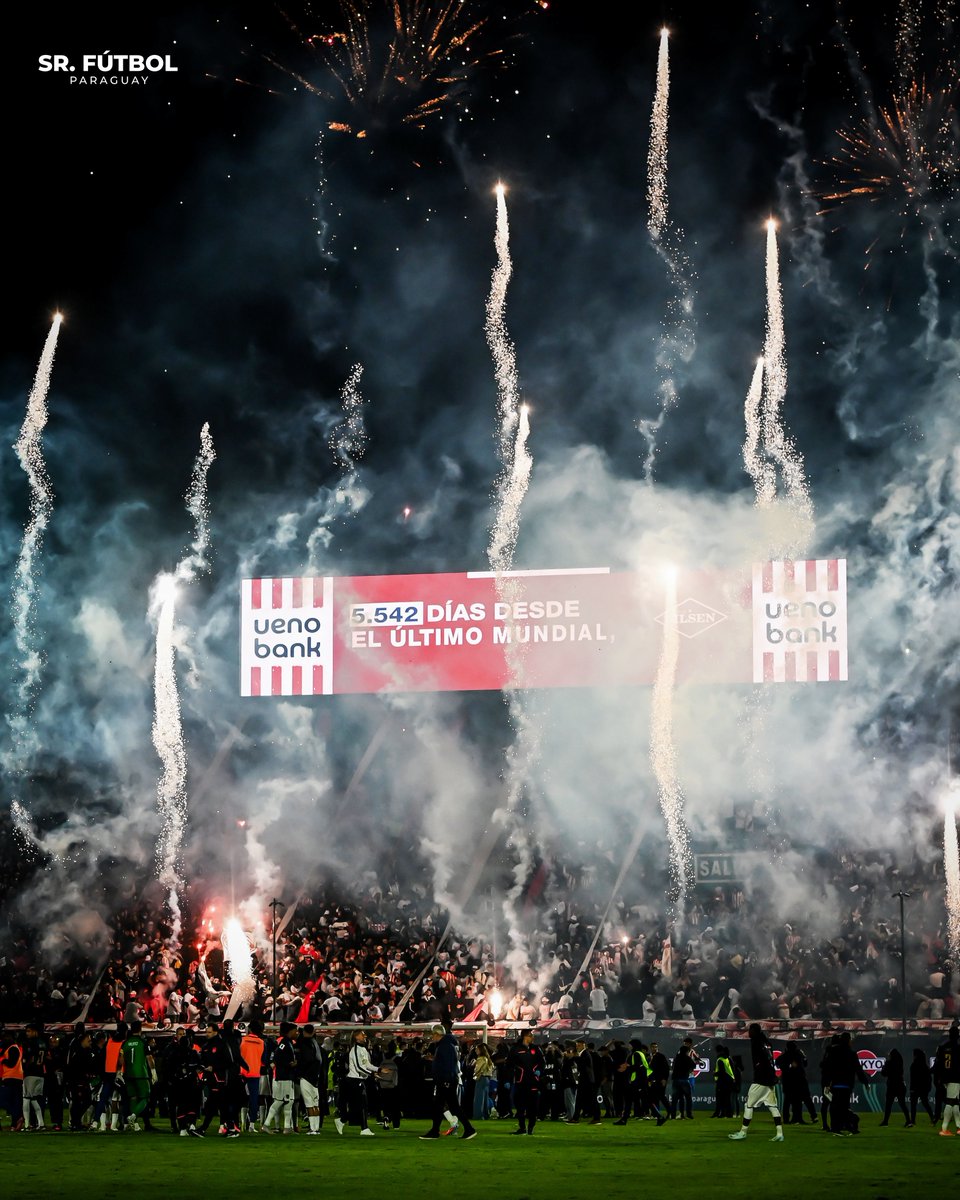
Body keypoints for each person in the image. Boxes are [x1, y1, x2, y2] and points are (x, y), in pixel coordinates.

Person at [419, 1024, 477, 1141]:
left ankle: (437, 1131)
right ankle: (466, 1129)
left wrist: (445, 1080)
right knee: (445, 1106)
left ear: (437, 1034)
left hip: (446, 1080)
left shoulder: (444, 1046)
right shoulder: (448, 1045)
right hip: (448, 1079)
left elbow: (448, 1065)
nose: (431, 1037)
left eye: (432, 1035)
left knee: (444, 1106)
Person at [728, 1024, 784, 1142]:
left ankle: (743, 1132)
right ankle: (780, 1133)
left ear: (754, 1031)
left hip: (761, 1079)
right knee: (772, 1106)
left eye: (750, 1030)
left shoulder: (756, 1042)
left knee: (748, 1105)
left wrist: (761, 1071)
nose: (748, 1032)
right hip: (770, 1078)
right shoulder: (767, 1042)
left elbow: (762, 1060)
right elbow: (769, 1060)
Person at [341, 1029, 378, 1136]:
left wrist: (378, 1070)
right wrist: (372, 1074)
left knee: (360, 1105)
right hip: (354, 1080)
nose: (365, 1035)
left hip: (359, 1080)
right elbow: (358, 1067)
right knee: (362, 1104)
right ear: (356, 1037)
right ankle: (364, 1128)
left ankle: (342, 1120)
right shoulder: (356, 1049)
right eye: (362, 1034)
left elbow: (367, 1065)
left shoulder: (363, 1049)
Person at [263, 1021, 297, 1134]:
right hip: (283, 1076)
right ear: (290, 1031)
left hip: (287, 1076)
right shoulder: (284, 1043)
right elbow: (277, 1057)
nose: (296, 1032)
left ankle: (287, 1127)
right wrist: (289, 1064)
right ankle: (266, 1124)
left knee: (289, 1101)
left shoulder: (288, 1042)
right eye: (295, 1030)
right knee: (280, 1100)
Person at [509, 1029, 546, 1135]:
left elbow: (542, 1062)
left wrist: (539, 1070)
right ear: (525, 1036)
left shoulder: (536, 1049)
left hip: (533, 1082)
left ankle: (531, 1128)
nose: (532, 1037)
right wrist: (508, 1079)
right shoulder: (515, 1049)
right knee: (520, 1107)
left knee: (533, 1107)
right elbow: (509, 1065)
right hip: (521, 1082)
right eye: (530, 1035)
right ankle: (522, 1128)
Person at [295, 1024, 325, 1135]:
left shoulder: (304, 1043)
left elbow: (306, 1060)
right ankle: (316, 1128)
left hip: (307, 1077)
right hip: (315, 1077)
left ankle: (312, 1128)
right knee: (315, 1103)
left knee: (309, 1104)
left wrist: (299, 1071)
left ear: (303, 1032)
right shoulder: (316, 1043)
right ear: (313, 1032)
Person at [779, 1042, 817, 1125]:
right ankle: (803, 1117)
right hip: (798, 1081)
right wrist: (790, 1066)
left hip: (790, 1082)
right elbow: (805, 1064)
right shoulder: (798, 1054)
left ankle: (791, 1118)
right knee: (800, 1099)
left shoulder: (787, 1055)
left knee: (789, 1100)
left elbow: (778, 1062)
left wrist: (788, 1067)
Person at [934, 1024, 960, 1136]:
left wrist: (940, 1078)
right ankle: (944, 1129)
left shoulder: (942, 1046)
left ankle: (959, 1127)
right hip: (955, 1077)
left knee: (955, 1102)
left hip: (945, 1077)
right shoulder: (958, 1047)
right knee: (951, 1102)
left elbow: (938, 1063)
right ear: (957, 1035)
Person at [878, 1047, 910, 1127]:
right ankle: (908, 1121)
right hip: (900, 1085)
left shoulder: (889, 1063)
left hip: (892, 1086)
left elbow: (884, 1073)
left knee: (888, 1105)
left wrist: (883, 1067)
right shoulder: (900, 1062)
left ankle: (885, 1121)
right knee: (902, 1104)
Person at [671, 1037, 698, 1120]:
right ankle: (688, 1114)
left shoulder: (677, 1057)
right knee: (688, 1098)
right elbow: (693, 1065)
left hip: (675, 1080)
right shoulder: (687, 1058)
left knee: (676, 1099)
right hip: (684, 1080)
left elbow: (673, 1066)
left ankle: (674, 1115)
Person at [909, 1047, 935, 1126]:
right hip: (923, 1089)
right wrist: (928, 1088)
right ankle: (932, 1118)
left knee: (913, 1105)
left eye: (914, 1055)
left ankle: (913, 1121)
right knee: (925, 1103)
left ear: (916, 1056)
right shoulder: (925, 1066)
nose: (913, 1056)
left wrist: (912, 1088)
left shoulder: (914, 1065)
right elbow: (929, 1079)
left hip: (916, 1088)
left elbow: (913, 1079)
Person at [713, 1043, 736, 1119]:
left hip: (723, 1081)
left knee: (721, 1098)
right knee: (727, 1098)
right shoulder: (727, 1058)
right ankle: (728, 1114)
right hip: (729, 1080)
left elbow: (722, 1071)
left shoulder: (720, 1059)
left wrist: (715, 1074)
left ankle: (722, 1113)